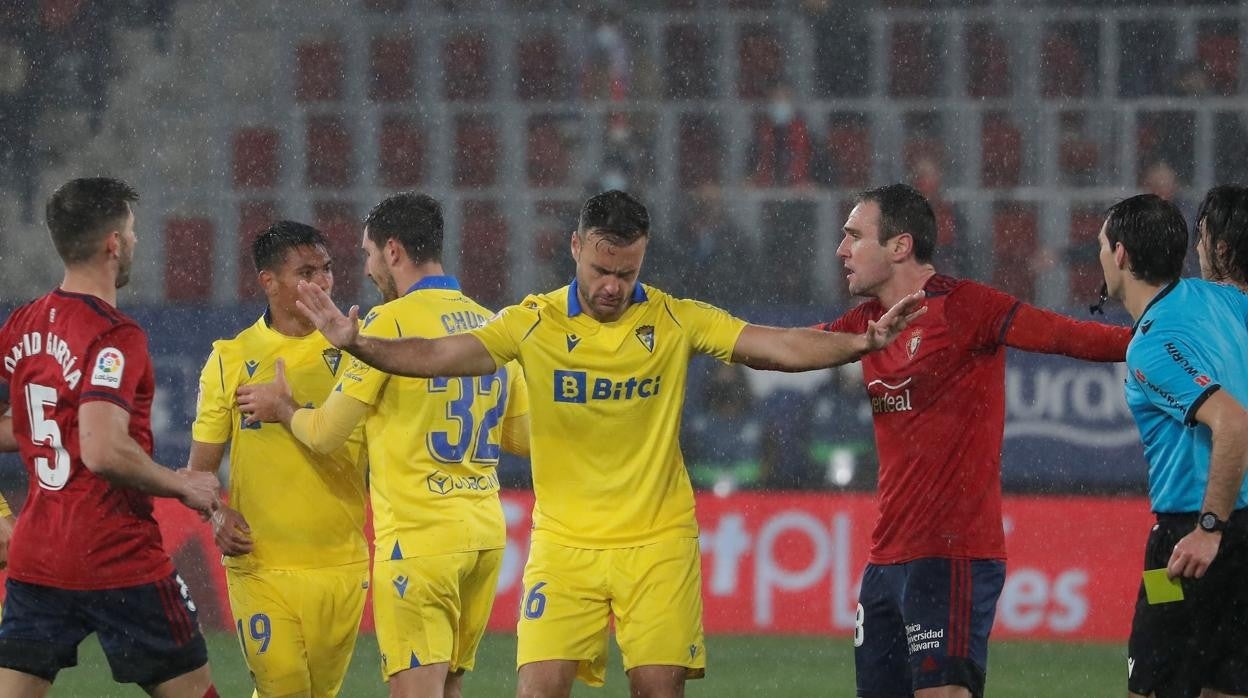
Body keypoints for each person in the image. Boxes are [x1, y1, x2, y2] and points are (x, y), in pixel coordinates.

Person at [290, 190, 925, 698]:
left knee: (655, 689)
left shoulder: (674, 319)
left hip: (656, 545)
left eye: (626, 272)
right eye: (600, 269)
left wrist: (862, 343)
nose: (612, 287)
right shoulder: (532, 321)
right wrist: (357, 344)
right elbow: (435, 356)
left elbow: (779, 346)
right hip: (564, 548)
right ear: (574, 249)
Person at [815, 183, 1131, 698]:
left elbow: (1067, 335)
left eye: (853, 236)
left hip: (951, 555)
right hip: (884, 563)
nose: (841, 250)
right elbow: (789, 348)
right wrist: (709, 335)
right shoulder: (863, 326)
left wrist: (1162, 339)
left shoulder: (965, 307)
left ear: (900, 246)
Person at [236, 192, 530, 698]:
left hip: (421, 543)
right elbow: (523, 437)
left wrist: (285, 410)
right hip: (485, 536)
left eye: (369, 254)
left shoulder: (385, 326)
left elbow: (327, 435)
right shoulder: (491, 324)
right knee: (449, 688)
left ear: (393, 251)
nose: (368, 268)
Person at [0, 177, 219, 696]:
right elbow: (102, 449)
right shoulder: (114, 335)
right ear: (113, 243)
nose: (136, 241)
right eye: (132, 230)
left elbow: (47, 423)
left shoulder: (21, 325)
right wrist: (181, 484)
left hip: (38, 557)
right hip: (116, 556)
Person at [188, 221, 369, 697]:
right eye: (307, 271)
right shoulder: (230, 358)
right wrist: (215, 515)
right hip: (260, 562)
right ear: (268, 281)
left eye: (327, 269)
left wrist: (288, 410)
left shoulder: (358, 348)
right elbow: (199, 471)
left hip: (340, 561)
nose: (324, 282)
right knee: (283, 689)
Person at [1102, 192, 1248, 698]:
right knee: (1225, 688)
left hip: (1188, 543)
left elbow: (1232, 423)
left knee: (1151, 687)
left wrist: (1209, 529)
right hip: (1244, 537)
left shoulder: (1151, 343)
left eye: (1102, 246)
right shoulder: (1226, 300)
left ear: (1119, 255)